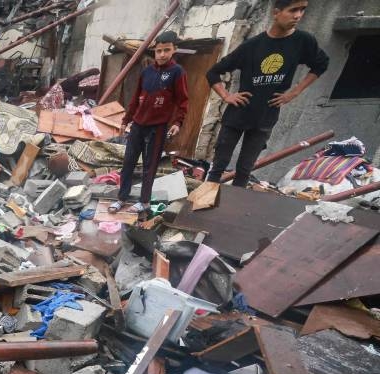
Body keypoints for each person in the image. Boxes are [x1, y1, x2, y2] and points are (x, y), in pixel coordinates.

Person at [205, 0, 328, 187]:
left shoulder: (303, 41)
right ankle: (204, 206)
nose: (298, 15)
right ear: (276, 13)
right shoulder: (252, 46)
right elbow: (213, 72)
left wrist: (294, 93)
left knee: (244, 170)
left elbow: (321, 64)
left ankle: (231, 211)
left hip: (265, 117)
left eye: (302, 10)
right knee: (218, 166)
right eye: (293, 10)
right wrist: (226, 96)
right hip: (238, 114)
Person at [111, 31, 189, 215]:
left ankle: (144, 202)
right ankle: (122, 198)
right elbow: (135, 98)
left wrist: (178, 122)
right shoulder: (146, 71)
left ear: (174, 50)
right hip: (138, 124)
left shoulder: (177, 72)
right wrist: (126, 119)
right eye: (159, 50)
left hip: (158, 127)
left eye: (166, 50)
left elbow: (183, 100)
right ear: (154, 51)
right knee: (128, 162)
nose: (162, 54)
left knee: (150, 165)